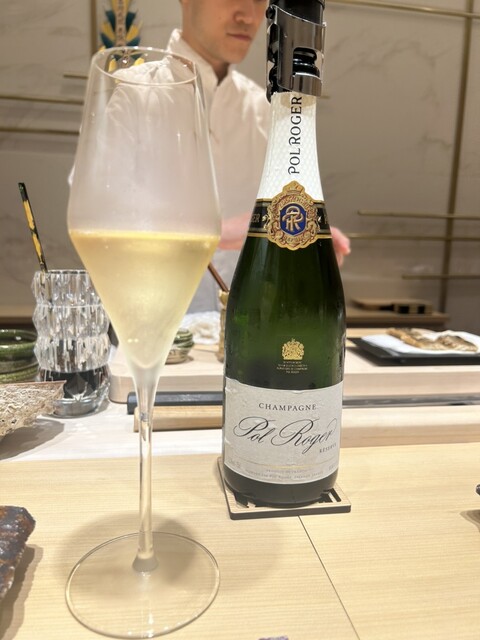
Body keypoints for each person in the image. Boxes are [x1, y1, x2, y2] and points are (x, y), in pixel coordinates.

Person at [170, 0, 350, 311]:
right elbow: (104, 226)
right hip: (151, 331)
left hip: (245, 327)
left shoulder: (269, 110)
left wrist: (301, 243)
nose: (249, 15)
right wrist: (216, 233)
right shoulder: (133, 94)